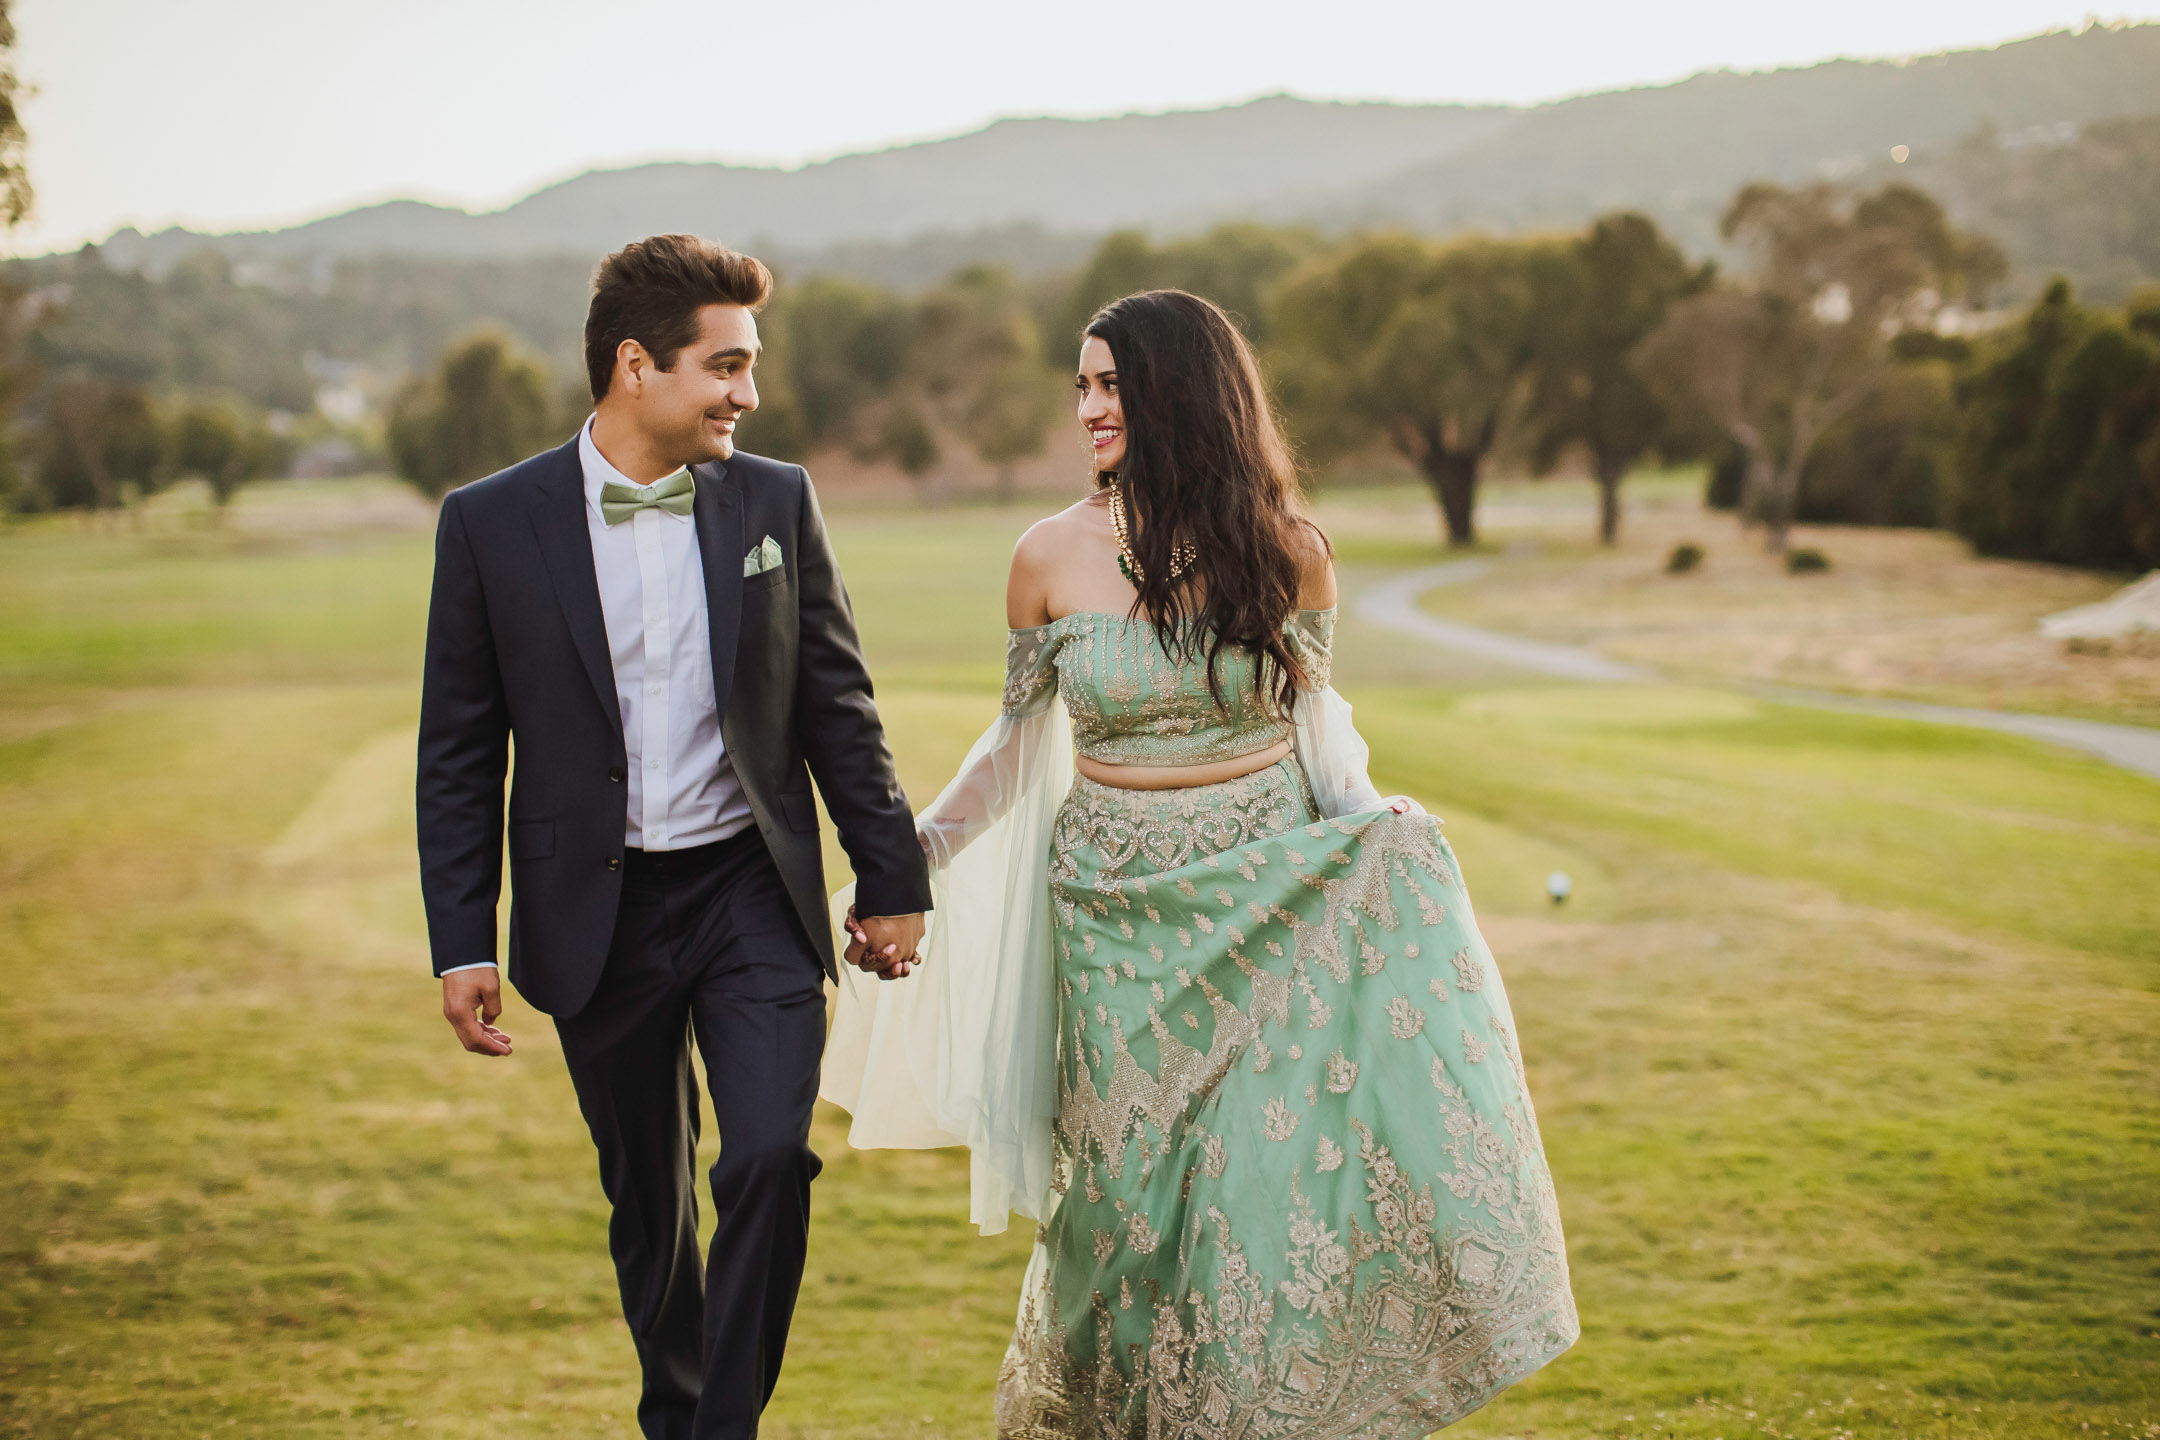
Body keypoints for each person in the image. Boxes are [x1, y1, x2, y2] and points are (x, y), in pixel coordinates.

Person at [823, 290, 1578, 1438]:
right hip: (1114, 922)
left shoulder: (1288, 552)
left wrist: (1381, 833)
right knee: (1125, 1212)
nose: (1088, 408)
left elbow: (1318, 728)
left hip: (1271, 904)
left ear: (1182, 391)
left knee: (1252, 1205)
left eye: (1111, 384)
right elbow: (1018, 742)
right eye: (1079, 386)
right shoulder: (1046, 557)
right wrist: (909, 861)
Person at [415, 234, 930, 1440]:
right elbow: (457, 749)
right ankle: (678, 1409)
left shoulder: (773, 499)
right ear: (636, 366)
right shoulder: (489, 523)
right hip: (594, 914)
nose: (748, 395)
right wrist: (461, 941)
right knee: (649, 1204)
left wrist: (892, 876)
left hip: (751, 892)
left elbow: (835, 703)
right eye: (727, 366)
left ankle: (722, 1428)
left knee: (763, 1161)